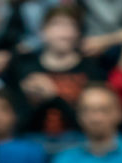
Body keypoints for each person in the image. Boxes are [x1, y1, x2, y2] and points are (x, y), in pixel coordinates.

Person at [8, 7, 103, 139]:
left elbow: (95, 123)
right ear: (43, 31)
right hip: (32, 142)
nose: (65, 33)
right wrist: (30, 101)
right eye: (57, 25)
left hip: (78, 143)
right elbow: (17, 124)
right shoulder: (25, 68)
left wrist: (53, 97)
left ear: (79, 32)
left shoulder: (91, 70)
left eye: (71, 26)